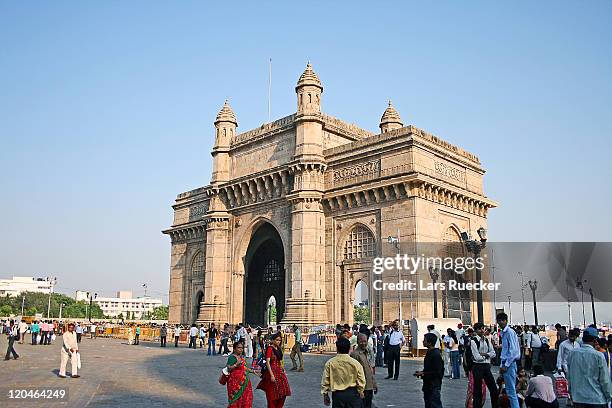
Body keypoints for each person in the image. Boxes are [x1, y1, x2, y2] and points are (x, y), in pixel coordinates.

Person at [566, 327, 612, 408]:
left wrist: (571, 394)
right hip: (597, 399)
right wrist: (609, 397)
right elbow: (605, 380)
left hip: (578, 399)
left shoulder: (572, 354)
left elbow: (569, 377)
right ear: (595, 341)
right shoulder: (598, 356)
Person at [321, 336, 365, 407]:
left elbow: (325, 380)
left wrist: (325, 394)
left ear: (337, 349)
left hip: (338, 395)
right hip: (352, 394)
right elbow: (361, 379)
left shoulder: (330, 363)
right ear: (349, 349)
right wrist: (361, 391)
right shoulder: (355, 363)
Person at [257, 332, 291, 408]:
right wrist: (271, 375)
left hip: (279, 372)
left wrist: (282, 368)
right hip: (271, 372)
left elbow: (279, 360)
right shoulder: (270, 349)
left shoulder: (278, 348)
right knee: (272, 394)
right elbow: (268, 362)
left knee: (283, 392)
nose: (278, 342)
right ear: (272, 340)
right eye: (277, 340)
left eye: (279, 340)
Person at [469, 322, 499, 408]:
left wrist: (485, 355)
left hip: (486, 366)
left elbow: (493, 353)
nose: (482, 330)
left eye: (482, 328)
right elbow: (476, 357)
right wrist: (487, 355)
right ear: (475, 330)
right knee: (477, 391)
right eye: (479, 329)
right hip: (477, 367)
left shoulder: (486, 340)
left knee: (493, 389)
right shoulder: (473, 341)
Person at [415, 332, 445, 408]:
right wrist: (422, 372)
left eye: (424, 340)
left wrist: (424, 374)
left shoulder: (436, 355)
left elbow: (438, 372)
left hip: (433, 385)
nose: (423, 341)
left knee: (434, 404)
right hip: (428, 384)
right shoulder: (429, 352)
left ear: (430, 343)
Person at [498, 313, 521, 408]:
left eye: (502, 320)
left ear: (506, 321)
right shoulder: (503, 332)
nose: (500, 322)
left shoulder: (510, 332)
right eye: (499, 320)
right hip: (505, 363)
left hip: (509, 364)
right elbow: (505, 350)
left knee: (511, 391)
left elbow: (513, 351)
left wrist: (506, 365)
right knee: (509, 390)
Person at [351, 333, 377, 408]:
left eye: (365, 341)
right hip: (362, 388)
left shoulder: (366, 352)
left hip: (369, 386)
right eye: (361, 341)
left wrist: (373, 383)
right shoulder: (355, 354)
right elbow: (354, 373)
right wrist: (359, 390)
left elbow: (369, 370)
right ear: (357, 342)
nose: (363, 343)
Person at [225, 340, 254, 408]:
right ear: (234, 349)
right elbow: (228, 368)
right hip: (235, 383)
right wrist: (236, 365)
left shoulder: (242, 357)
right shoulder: (232, 357)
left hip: (245, 381)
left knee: (246, 398)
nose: (241, 349)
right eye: (239, 348)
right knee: (236, 400)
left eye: (242, 348)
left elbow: (244, 368)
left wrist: (253, 371)